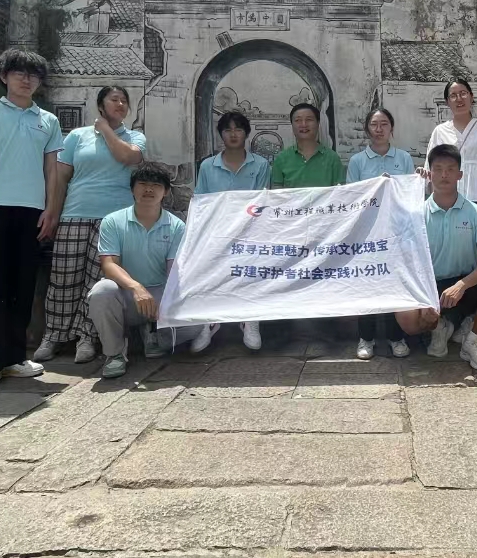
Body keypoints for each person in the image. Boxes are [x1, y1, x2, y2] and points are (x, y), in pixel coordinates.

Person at [0, 48, 63, 394]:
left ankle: (15, 357)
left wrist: (50, 209)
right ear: (4, 76)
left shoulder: (47, 120)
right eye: (19, 72)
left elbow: (52, 169)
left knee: (22, 286)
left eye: (33, 75)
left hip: (31, 212)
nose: (26, 79)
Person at [33, 86, 146, 365]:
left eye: (124, 101)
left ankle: (87, 336)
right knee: (63, 277)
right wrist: (52, 213)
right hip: (75, 214)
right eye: (114, 99)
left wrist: (105, 130)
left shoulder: (135, 137)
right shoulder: (76, 137)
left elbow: (127, 157)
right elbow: (61, 178)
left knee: (98, 281)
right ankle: (54, 334)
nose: (120, 104)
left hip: (113, 218)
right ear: (101, 105)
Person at [393, 144, 477, 370]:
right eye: (438, 169)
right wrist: (425, 297)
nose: (444, 175)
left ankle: (473, 340)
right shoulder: (417, 215)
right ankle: (439, 327)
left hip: (467, 284)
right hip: (433, 286)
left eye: (450, 169)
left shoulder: (475, 212)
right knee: (406, 316)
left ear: (460, 174)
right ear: (429, 174)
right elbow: (407, 262)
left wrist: (462, 285)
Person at [87, 165, 208, 378]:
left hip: (159, 294)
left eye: (156, 185)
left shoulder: (176, 226)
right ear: (132, 188)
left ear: (166, 191)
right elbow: (109, 264)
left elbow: (174, 270)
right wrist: (136, 287)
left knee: (198, 320)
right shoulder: (113, 221)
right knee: (101, 291)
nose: (149, 189)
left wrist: (169, 302)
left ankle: (153, 333)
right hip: (127, 294)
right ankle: (114, 354)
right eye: (143, 184)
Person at [423, 78, 477, 347]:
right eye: (453, 95)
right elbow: (431, 166)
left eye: (463, 93)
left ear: (471, 97)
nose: (458, 99)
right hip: (450, 199)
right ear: (447, 101)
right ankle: (453, 322)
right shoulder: (440, 130)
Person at [193, 110, 271, 351]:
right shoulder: (208, 166)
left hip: (251, 233)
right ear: (221, 134)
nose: (233, 134)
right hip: (217, 233)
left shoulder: (260, 164)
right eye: (228, 130)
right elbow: (201, 202)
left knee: (251, 273)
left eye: (238, 129)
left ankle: (250, 320)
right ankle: (210, 322)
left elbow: (262, 201)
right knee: (211, 276)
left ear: (246, 133)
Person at [347, 107, 417, 360]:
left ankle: (396, 338)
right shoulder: (357, 161)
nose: (379, 129)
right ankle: (366, 338)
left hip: (395, 232)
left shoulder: (404, 158)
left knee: (394, 284)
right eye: (374, 124)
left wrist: (393, 186)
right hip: (367, 234)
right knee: (366, 284)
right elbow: (352, 197)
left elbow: (410, 194)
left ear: (391, 128)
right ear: (367, 129)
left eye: (384, 124)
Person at [270, 102, 344, 188]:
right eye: (298, 120)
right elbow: (277, 193)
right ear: (292, 125)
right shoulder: (282, 159)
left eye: (309, 119)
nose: (304, 124)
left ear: (318, 123)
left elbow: (340, 192)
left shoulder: (332, 158)